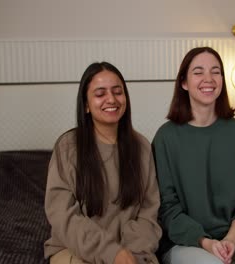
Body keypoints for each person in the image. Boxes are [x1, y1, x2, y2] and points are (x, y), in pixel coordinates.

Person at [44, 62, 162, 264]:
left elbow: (148, 213)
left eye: (118, 92)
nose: (111, 99)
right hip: (76, 249)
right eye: (100, 94)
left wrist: (131, 255)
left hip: (133, 253)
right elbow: (63, 216)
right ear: (86, 105)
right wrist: (112, 253)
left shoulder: (142, 147)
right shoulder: (68, 147)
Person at [152, 47, 235, 264]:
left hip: (234, 238)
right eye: (198, 72)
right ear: (184, 82)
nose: (209, 79)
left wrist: (230, 240)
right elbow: (167, 209)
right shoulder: (165, 138)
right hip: (185, 242)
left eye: (215, 72)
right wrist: (207, 243)